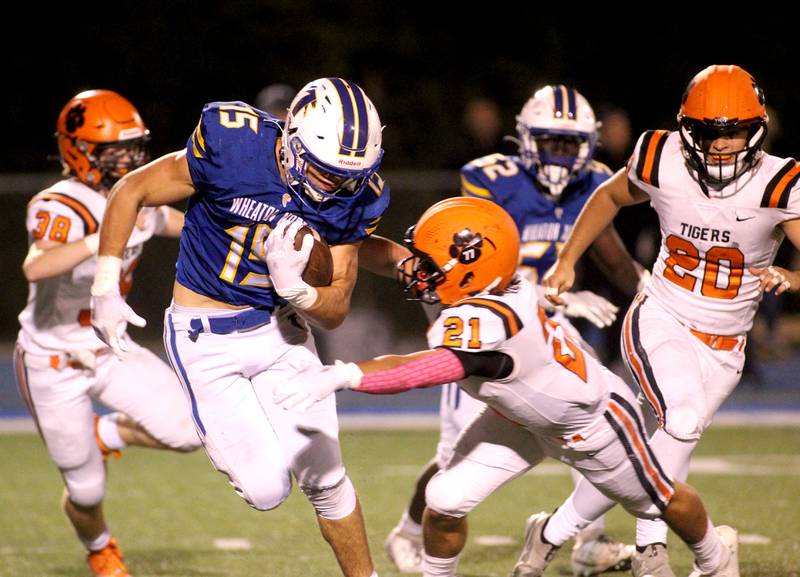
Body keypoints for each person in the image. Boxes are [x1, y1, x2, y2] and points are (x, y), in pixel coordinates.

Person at [273, 196, 740, 577]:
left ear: (469, 272)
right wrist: (336, 238)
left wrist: (344, 374)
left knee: (662, 498)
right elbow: (397, 257)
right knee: (444, 499)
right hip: (517, 417)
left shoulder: (490, 320)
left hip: (590, 425)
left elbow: (427, 368)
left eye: (429, 265)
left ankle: (716, 559)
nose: (416, 269)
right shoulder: (482, 283)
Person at [90, 78, 389, 577]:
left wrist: (300, 293)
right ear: (291, 139)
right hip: (204, 338)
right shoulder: (234, 144)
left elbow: (335, 307)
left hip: (283, 332)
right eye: (324, 170)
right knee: (267, 490)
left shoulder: (353, 193)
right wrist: (104, 285)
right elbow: (132, 189)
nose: (332, 187)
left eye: (345, 177)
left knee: (327, 477)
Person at [543, 64, 799, 577]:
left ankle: (562, 533)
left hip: (726, 345)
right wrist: (568, 258)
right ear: (688, 129)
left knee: (662, 439)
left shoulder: (780, 183)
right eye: (709, 134)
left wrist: (793, 279)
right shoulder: (660, 157)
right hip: (661, 314)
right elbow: (609, 196)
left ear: (758, 128)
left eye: (734, 133)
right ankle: (651, 547)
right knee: (678, 420)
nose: (722, 147)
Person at [382, 85, 645, 577]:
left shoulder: (594, 182)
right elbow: (479, 265)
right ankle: (408, 530)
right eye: (551, 142)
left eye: (571, 145)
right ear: (525, 139)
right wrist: (546, 293)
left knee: (592, 418)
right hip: (485, 322)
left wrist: (651, 294)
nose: (562, 156)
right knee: (455, 451)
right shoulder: (490, 180)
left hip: (547, 323)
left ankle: (590, 539)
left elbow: (611, 255)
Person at [15, 89, 201, 577]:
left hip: (107, 346)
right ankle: (100, 547)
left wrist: (244, 235)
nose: (129, 159)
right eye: (114, 151)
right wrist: (107, 234)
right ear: (79, 151)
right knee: (86, 490)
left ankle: (106, 431)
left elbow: (176, 223)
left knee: (190, 430)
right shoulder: (61, 204)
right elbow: (37, 267)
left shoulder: (135, 192)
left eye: (133, 148)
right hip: (52, 359)